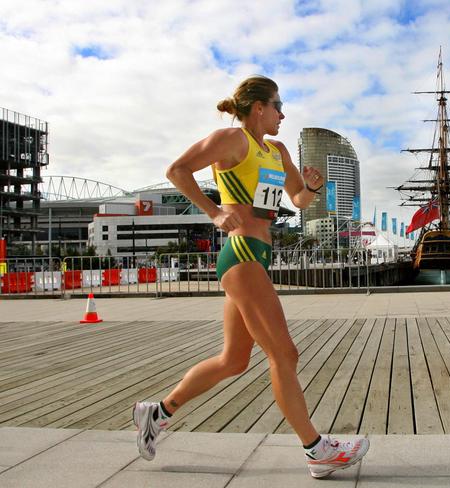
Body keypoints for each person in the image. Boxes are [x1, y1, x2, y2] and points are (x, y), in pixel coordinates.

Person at [132, 75, 369, 478]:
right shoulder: (232, 141)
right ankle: (316, 450)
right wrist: (214, 212)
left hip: (257, 254)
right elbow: (177, 170)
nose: (283, 113)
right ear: (259, 107)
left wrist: (311, 188)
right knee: (285, 354)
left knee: (234, 360)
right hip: (240, 253)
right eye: (279, 105)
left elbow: (296, 199)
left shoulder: (276, 151)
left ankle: (158, 411)